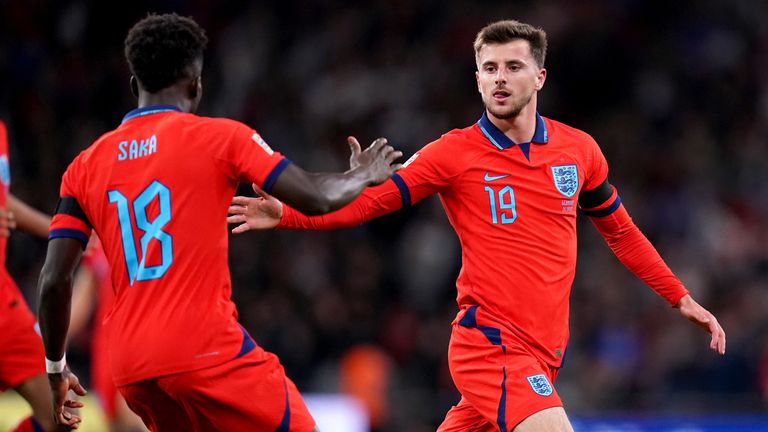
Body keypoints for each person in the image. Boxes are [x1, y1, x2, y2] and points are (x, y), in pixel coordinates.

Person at [227, 19, 726, 432]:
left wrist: (679, 297)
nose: (500, 78)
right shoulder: (455, 153)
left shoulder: (579, 151)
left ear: (540, 77)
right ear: (478, 79)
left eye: (513, 66)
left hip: (545, 353)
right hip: (490, 345)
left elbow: (620, 230)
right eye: (489, 68)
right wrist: (290, 211)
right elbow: (372, 201)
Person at [36, 13, 402, 431]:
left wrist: (55, 367)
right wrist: (363, 173)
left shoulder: (84, 165)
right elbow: (318, 198)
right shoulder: (221, 138)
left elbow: (53, 279)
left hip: (132, 371)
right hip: (204, 351)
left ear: (135, 85)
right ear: (196, 84)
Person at [0, 119, 78, 432]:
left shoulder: (2, 129)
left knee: (62, 409)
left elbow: (2, 202)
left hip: (3, 302)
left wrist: (62, 233)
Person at [68, 238, 146, 432]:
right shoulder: (100, 241)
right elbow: (81, 300)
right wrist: (46, 341)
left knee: (136, 419)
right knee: (116, 424)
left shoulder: (154, 231)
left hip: (142, 346)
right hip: (107, 354)